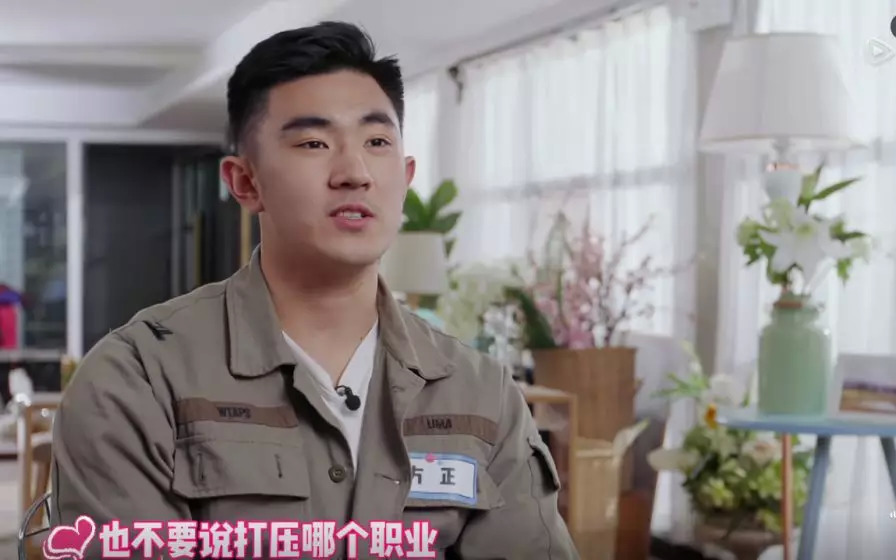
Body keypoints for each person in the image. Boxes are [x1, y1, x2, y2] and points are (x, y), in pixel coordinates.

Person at [51, 21, 578, 559]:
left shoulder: (479, 393)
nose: (355, 172)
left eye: (377, 142)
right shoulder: (138, 379)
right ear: (245, 182)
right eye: (314, 143)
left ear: (405, 176)